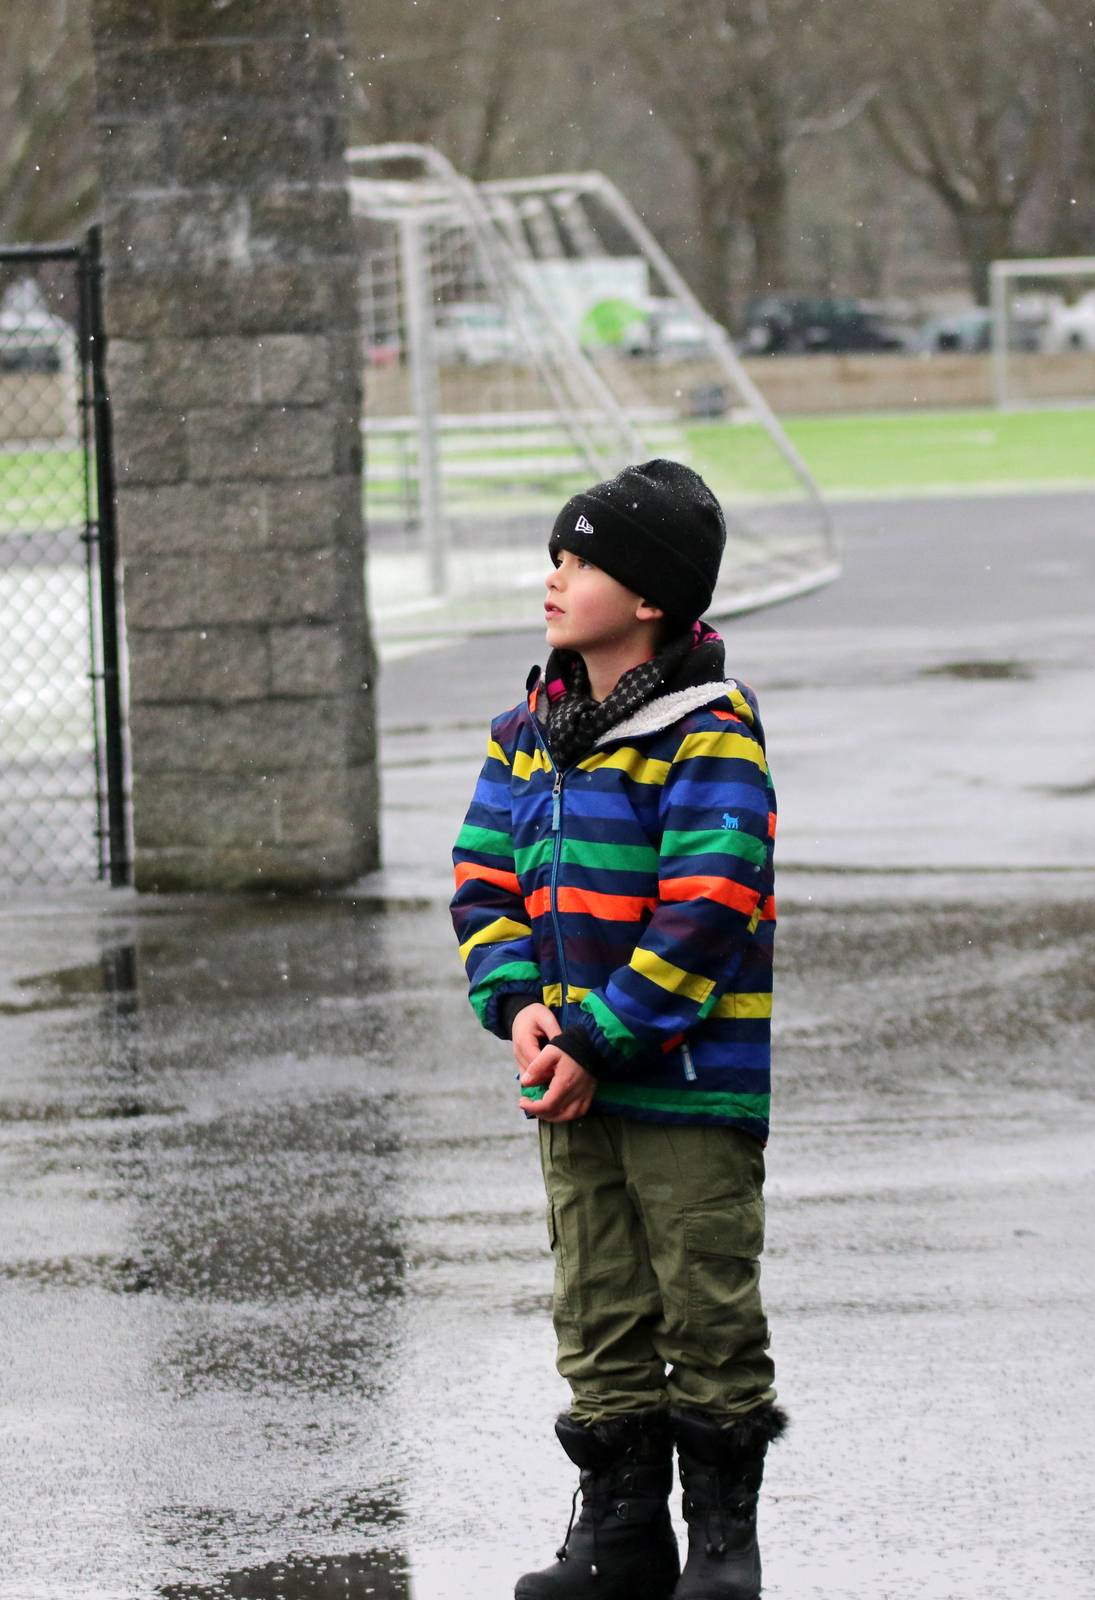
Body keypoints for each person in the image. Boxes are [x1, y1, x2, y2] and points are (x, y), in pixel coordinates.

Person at [449, 460, 784, 1600]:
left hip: (687, 1082)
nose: (556, 577)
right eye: (556, 555)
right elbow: (482, 884)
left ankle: (723, 1540)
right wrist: (523, 1011)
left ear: (650, 598)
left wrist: (600, 1036)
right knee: (598, 1301)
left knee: (705, 1296)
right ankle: (623, 1532)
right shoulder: (523, 733)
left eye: (581, 560)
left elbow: (708, 904)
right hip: (570, 1078)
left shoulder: (709, 732)